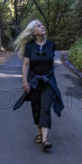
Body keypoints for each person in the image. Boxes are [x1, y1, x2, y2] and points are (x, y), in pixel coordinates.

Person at [12, 20, 64, 150]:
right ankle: (40, 134)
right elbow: (26, 64)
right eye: (39, 26)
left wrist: (49, 74)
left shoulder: (51, 45)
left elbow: (51, 63)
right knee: (36, 109)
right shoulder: (29, 46)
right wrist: (25, 81)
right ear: (33, 32)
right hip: (34, 82)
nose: (42, 27)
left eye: (42, 25)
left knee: (45, 108)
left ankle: (45, 140)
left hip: (48, 81)